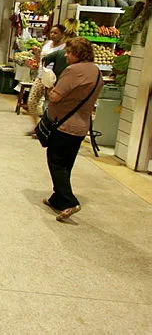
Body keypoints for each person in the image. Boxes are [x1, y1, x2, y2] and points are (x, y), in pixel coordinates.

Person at [42, 37, 103, 221]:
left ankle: (69, 201)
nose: (66, 55)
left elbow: (56, 97)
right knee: (66, 163)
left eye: (69, 52)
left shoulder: (73, 71)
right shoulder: (96, 71)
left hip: (64, 125)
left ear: (79, 54)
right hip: (81, 126)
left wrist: (49, 86)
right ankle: (57, 199)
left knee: (56, 161)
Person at [27, 24, 68, 123]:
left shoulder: (64, 48)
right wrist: (36, 54)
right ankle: (36, 125)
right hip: (41, 77)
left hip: (53, 80)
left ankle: (46, 127)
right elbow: (41, 60)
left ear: (62, 35)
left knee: (49, 105)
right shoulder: (46, 44)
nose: (52, 35)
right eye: (51, 32)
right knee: (31, 101)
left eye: (56, 33)